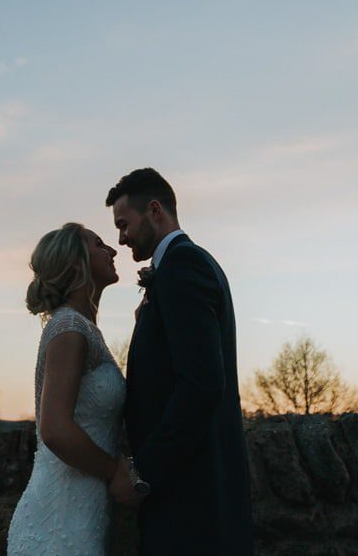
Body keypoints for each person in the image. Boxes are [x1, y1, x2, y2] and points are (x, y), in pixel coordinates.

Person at [107, 168, 254, 555]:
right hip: (190, 490)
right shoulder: (182, 266)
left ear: (154, 210)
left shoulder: (182, 268)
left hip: (192, 494)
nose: (120, 238)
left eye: (124, 224)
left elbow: (202, 385)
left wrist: (143, 473)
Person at [8, 222, 131, 556]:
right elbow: (56, 429)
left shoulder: (84, 328)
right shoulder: (69, 328)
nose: (112, 250)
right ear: (78, 264)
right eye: (99, 244)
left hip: (82, 516)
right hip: (57, 524)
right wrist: (115, 471)